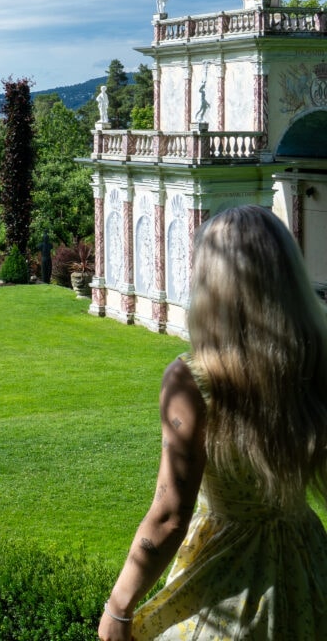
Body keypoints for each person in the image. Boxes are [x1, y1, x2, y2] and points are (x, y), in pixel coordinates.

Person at [99, 204, 327, 640]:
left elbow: (169, 516)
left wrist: (119, 608)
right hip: (308, 569)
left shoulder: (193, 380)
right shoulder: (316, 362)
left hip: (227, 580)